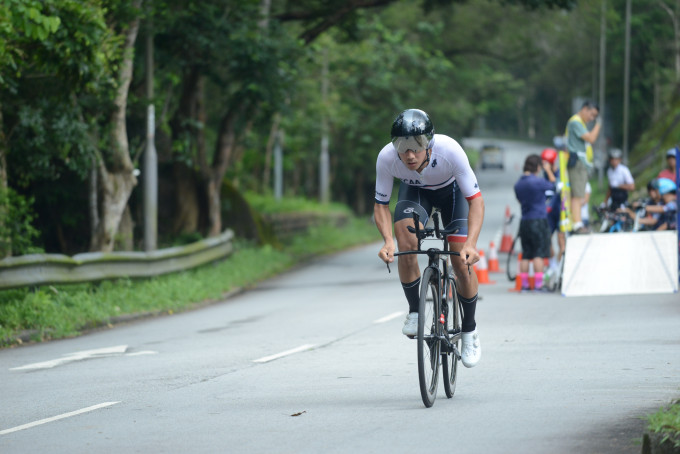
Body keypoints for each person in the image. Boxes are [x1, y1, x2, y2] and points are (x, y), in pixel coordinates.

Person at [374, 108, 484, 368]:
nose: (409, 155)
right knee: (406, 243)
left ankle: (469, 330)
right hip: (415, 191)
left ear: (429, 143)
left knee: (460, 259)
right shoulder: (387, 158)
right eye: (402, 147)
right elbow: (380, 204)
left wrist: (471, 244)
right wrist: (388, 241)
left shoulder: (450, 151)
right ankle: (415, 310)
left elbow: (476, 201)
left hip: (452, 194)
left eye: (416, 146)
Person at [514, 154, 555, 291]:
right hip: (539, 220)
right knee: (538, 253)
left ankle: (525, 285)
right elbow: (553, 184)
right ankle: (538, 285)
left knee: (526, 253)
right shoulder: (537, 182)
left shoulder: (518, 184)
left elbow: (520, 201)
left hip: (525, 221)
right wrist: (548, 170)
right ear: (538, 167)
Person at [565, 100, 601, 234]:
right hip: (577, 162)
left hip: (581, 163)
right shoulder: (575, 122)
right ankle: (577, 225)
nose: (592, 119)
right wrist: (598, 124)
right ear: (584, 109)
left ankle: (577, 222)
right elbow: (591, 138)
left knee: (579, 194)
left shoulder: (580, 123)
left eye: (594, 117)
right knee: (577, 195)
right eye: (591, 115)